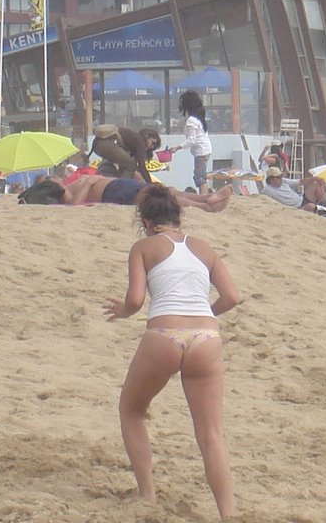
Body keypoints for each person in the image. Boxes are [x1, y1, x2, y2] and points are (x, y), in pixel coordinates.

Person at [102, 185, 239, 518]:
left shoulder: (144, 247)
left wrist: (121, 311)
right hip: (206, 337)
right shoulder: (203, 248)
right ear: (180, 216)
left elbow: (136, 300)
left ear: (146, 221)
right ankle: (228, 513)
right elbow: (232, 297)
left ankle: (147, 494)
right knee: (211, 434)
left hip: (164, 334)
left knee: (131, 411)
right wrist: (203, 314)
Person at [60, 175, 233, 212]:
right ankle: (205, 205)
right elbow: (74, 206)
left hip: (119, 186)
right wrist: (89, 182)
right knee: (162, 196)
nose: (54, 177)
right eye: (48, 178)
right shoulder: (65, 191)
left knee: (167, 191)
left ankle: (206, 198)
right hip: (115, 191)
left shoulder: (69, 183)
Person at [172, 90, 212, 194]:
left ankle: (204, 197)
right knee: (201, 175)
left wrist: (177, 148)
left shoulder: (191, 121)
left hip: (200, 151)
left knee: (200, 177)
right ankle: (204, 196)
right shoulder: (199, 119)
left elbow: (191, 140)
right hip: (205, 150)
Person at [91, 126, 161, 184]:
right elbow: (142, 167)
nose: (152, 147)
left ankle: (104, 179)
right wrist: (150, 184)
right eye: (153, 143)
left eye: (154, 147)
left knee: (123, 164)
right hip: (109, 144)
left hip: (97, 145)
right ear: (147, 136)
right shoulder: (140, 142)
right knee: (131, 165)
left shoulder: (132, 139)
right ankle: (122, 185)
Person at [257, 167, 326, 212]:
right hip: (297, 208)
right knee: (311, 206)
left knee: (316, 185)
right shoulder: (268, 190)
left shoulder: (284, 181)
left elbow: (300, 182)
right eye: (278, 177)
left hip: (302, 199)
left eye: (281, 176)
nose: (281, 178)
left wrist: (315, 178)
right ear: (271, 179)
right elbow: (259, 198)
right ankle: (322, 210)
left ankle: (324, 205)